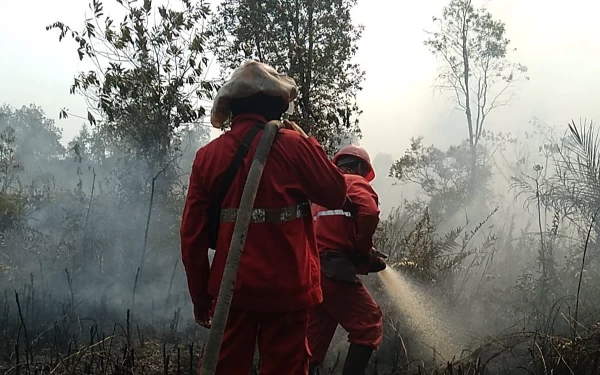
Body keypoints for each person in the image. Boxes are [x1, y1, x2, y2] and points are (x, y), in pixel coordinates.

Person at [180, 60, 347, 375]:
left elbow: (192, 237)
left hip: (233, 291)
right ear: (276, 105)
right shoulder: (296, 146)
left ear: (233, 107)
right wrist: (308, 142)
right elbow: (337, 193)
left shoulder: (208, 157)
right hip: (289, 289)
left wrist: (202, 297)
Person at [307, 145, 386, 375]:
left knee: (310, 346)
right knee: (369, 323)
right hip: (333, 270)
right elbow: (369, 213)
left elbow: (332, 231)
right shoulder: (353, 181)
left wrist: (364, 255)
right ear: (361, 167)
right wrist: (363, 251)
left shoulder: (323, 193)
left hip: (314, 272)